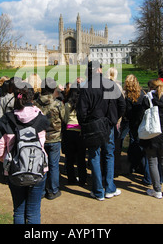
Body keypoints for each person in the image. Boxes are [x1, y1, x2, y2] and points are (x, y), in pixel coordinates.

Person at [0, 81, 50, 224]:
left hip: (15, 169)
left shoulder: (6, 120)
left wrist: (9, 159)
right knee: (33, 211)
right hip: (38, 168)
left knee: (19, 210)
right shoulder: (42, 119)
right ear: (32, 98)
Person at [77, 61, 126, 201]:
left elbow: (81, 112)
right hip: (108, 124)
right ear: (99, 69)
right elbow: (122, 104)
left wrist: (85, 124)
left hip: (94, 124)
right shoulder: (110, 84)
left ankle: (98, 190)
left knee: (94, 155)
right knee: (108, 154)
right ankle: (109, 188)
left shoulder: (86, 87)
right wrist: (115, 118)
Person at [141, 79, 163, 199]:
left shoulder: (147, 98)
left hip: (151, 133)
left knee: (152, 162)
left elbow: (143, 116)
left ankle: (156, 189)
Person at [34, 77, 65, 200]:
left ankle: (41, 191)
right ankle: (52, 190)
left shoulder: (35, 103)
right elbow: (64, 119)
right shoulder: (57, 104)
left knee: (40, 165)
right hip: (54, 138)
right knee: (53, 165)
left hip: (40, 138)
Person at [123, 75, 151, 184]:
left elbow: (129, 113)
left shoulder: (129, 97)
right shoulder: (143, 94)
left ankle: (140, 169)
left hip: (135, 125)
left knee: (137, 146)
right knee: (141, 147)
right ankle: (141, 168)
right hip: (143, 124)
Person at [63, 84, 87, 186]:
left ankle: (71, 178)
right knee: (81, 157)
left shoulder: (67, 104)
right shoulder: (82, 104)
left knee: (69, 157)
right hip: (80, 131)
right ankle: (82, 178)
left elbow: (65, 118)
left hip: (69, 130)